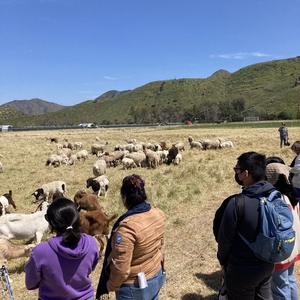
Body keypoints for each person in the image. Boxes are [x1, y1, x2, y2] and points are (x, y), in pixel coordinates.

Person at [96, 174, 166, 300]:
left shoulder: (126, 229)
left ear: (124, 198)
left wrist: (110, 285)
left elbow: (122, 269)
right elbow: (160, 243)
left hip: (134, 286)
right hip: (156, 273)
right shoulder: (158, 213)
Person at [217, 152, 275, 300]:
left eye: (237, 170)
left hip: (242, 270)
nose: (236, 174)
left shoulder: (237, 203)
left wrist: (223, 261)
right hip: (268, 265)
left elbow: (225, 239)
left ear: (246, 174)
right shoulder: (275, 196)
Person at [25, 198, 99, 300]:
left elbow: (30, 284)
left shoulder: (40, 252)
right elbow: (91, 268)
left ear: (52, 223)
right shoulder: (91, 243)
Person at [265, 162, 300, 300]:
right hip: (293, 246)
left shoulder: (275, 200)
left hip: (281, 250)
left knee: (279, 286)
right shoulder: (291, 197)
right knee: (290, 279)